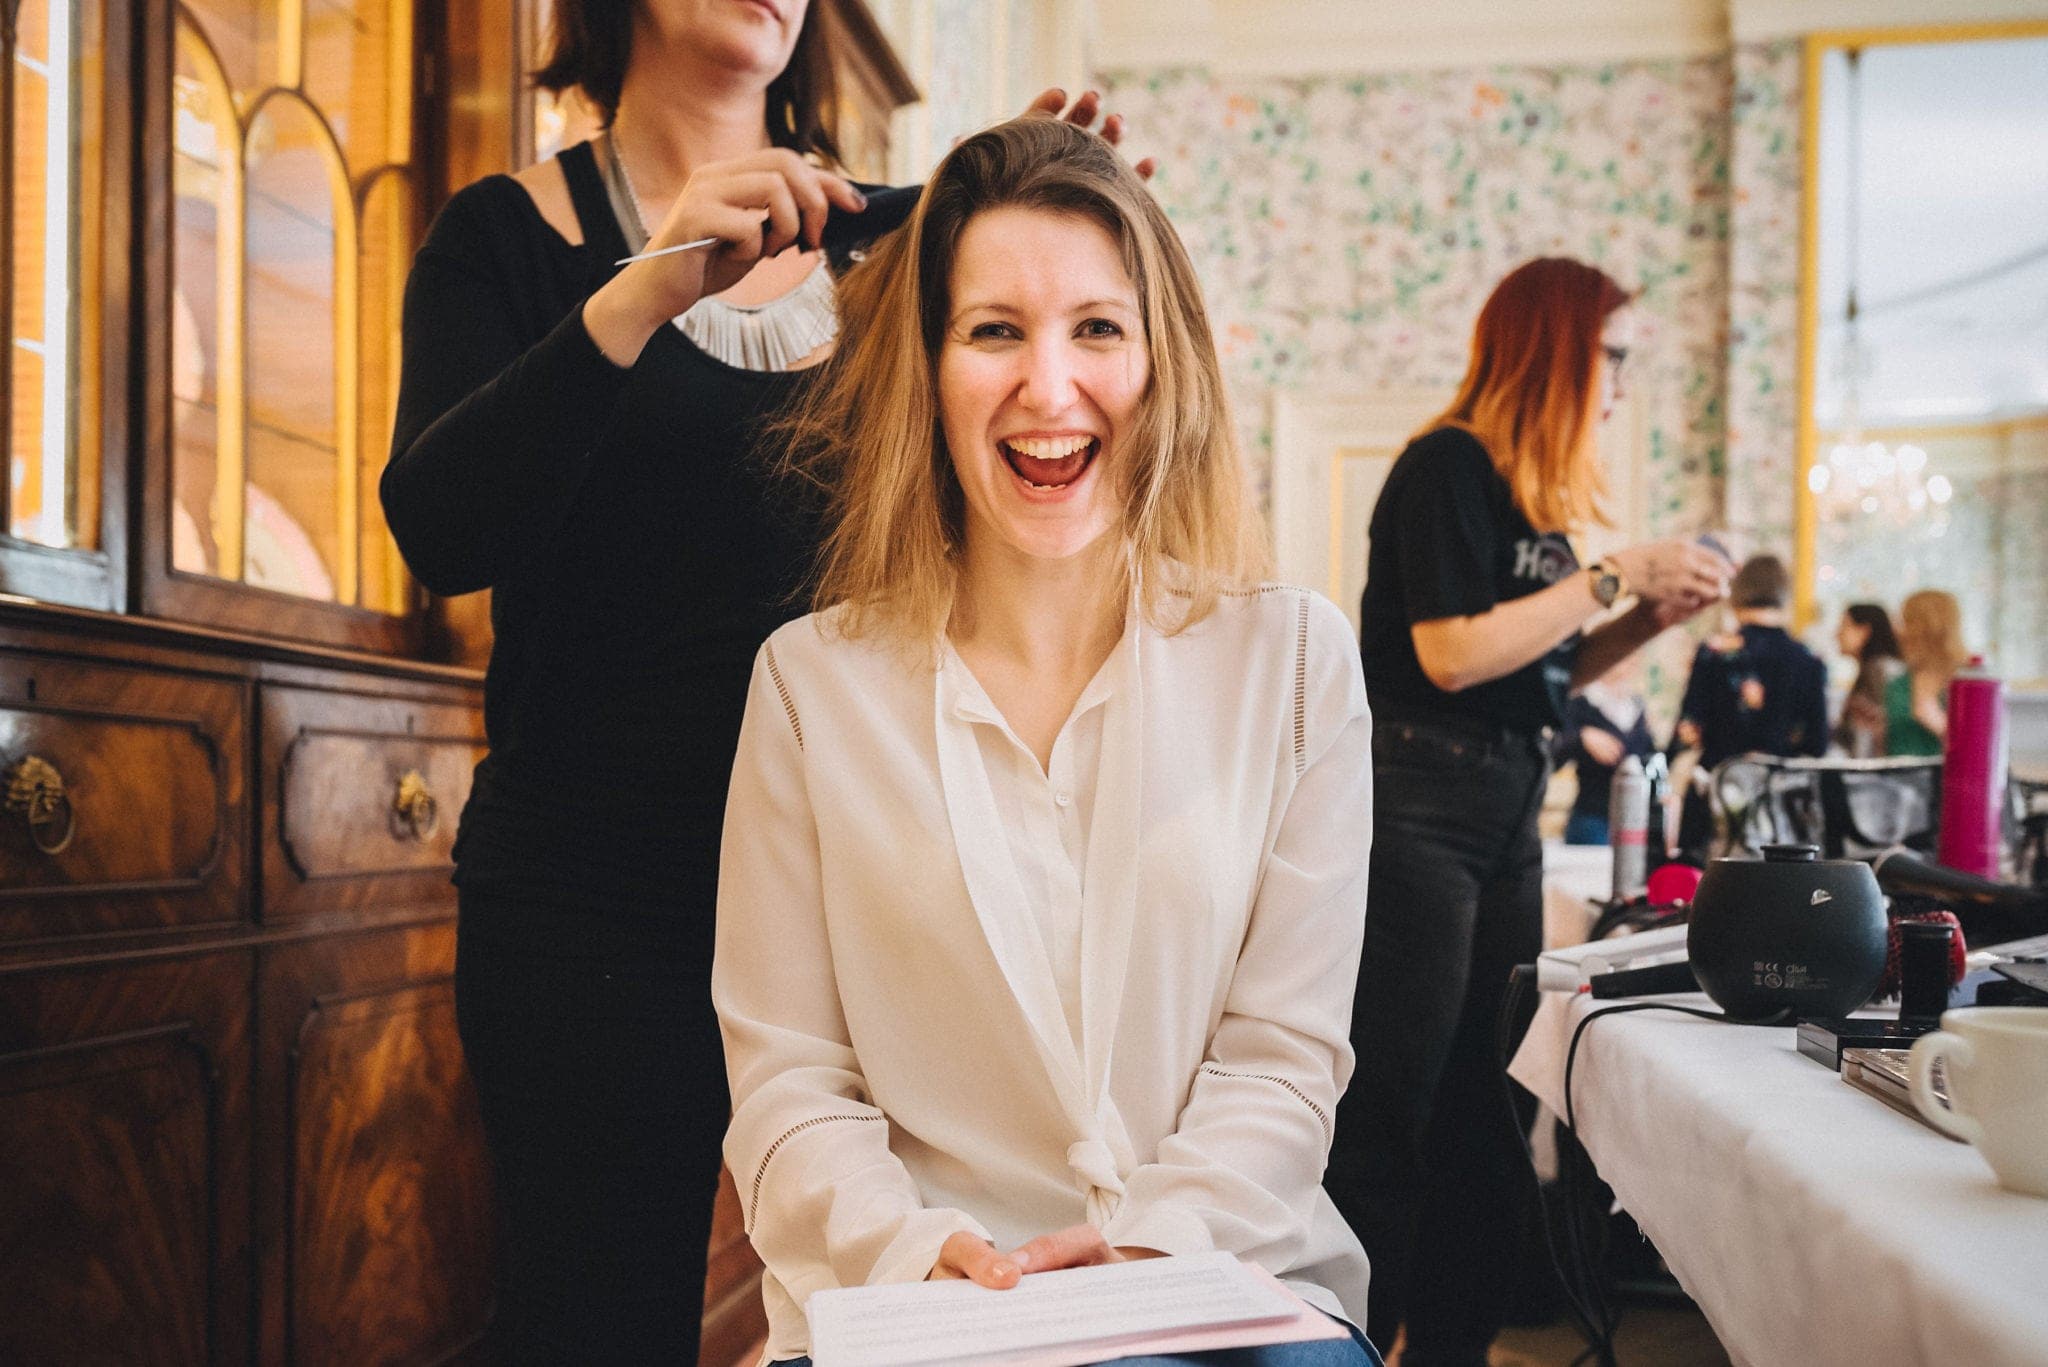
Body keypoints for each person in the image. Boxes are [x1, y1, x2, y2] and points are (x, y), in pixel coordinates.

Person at [379, 0, 1139, 1355]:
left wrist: (1042, 228)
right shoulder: (505, 240)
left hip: (877, 896)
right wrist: (646, 284)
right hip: (593, 908)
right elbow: (442, 532)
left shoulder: (909, 248)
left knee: (929, 1307)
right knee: (591, 1324)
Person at [714, 117, 1380, 1367]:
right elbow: (790, 1083)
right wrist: (920, 1250)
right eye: (993, 331)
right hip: (911, 1293)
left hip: (1220, 1278)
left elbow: (1282, 1065)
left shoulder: (1290, 662)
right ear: (928, 365)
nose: (1048, 386)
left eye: (1096, 328)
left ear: (1159, 361)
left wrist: (1146, 1245)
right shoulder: (806, 687)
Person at [1326, 257, 1730, 1367]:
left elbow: (1538, 663)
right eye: (1610, 355)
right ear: (1554, 347)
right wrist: (1608, 574)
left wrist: (1643, 616)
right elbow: (1450, 654)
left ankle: (1448, 1351)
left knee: (1485, 1116)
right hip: (1417, 802)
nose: (1617, 382)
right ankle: (1346, 1344)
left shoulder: (1526, 499)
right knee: (1392, 1112)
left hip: (1503, 805)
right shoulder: (1442, 466)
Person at [1668, 554, 1829, 854]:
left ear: (1736, 595)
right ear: (1784, 597)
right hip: (1780, 807)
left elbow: (1687, 729)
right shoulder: (1809, 660)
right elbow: (1817, 745)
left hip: (1717, 798)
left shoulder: (1714, 653)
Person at [1556, 659, 1654, 846]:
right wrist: (1581, 737)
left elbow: (1649, 755)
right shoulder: (1581, 703)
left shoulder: (1636, 706)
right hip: (1592, 817)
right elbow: (1555, 752)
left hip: (1635, 818)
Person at [1886, 589, 1969, 756]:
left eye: (1905, 622)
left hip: (1945, 777)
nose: (1896, 630)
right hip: (1896, 778)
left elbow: (1981, 751)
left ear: (1927, 627)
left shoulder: (1968, 682)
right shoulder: (1899, 682)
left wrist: (1941, 726)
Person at [1832, 602, 1902, 757]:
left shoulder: (1883, 671)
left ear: (1864, 631)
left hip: (1880, 774)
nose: (1836, 634)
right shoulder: (1870, 670)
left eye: (1844, 626)